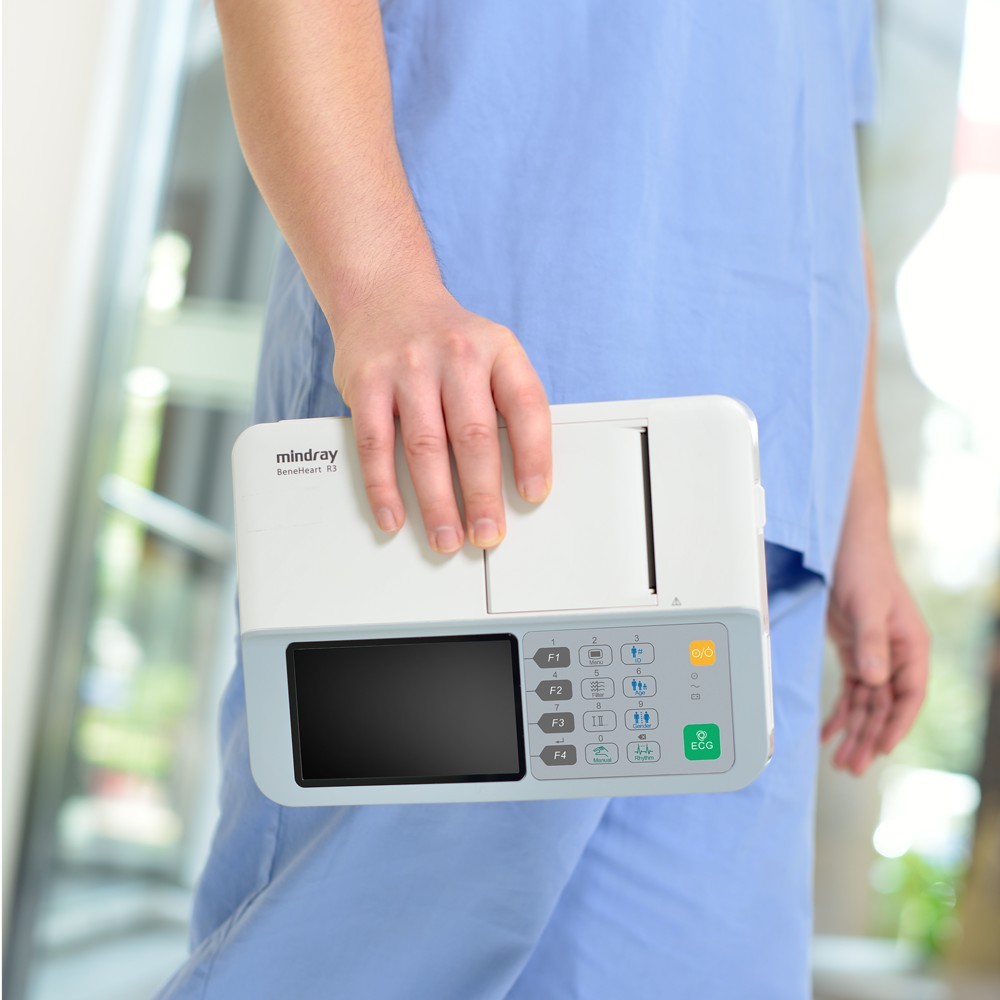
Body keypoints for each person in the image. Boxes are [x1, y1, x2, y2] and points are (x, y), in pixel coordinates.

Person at [158, 2, 930, 997]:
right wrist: (381, 284)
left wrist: (859, 516)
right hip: (480, 443)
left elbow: (818, 150)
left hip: (751, 529)